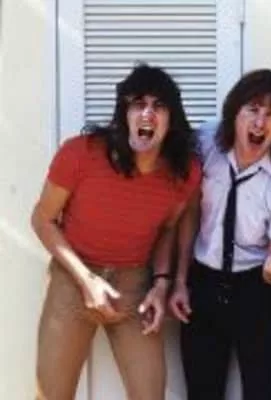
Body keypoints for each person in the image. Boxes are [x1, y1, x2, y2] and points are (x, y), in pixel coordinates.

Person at [33, 64, 201, 400]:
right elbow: (42, 219)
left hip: (134, 285)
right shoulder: (80, 153)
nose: (147, 113)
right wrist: (86, 279)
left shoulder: (184, 171)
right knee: (52, 394)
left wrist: (161, 284)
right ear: (124, 114)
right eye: (138, 103)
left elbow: (168, 229)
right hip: (73, 279)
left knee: (150, 394)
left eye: (159, 105)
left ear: (171, 119)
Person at [169, 68, 271, 400]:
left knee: (261, 391)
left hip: (255, 286)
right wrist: (179, 280)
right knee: (201, 391)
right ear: (234, 112)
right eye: (252, 109)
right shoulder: (204, 143)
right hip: (203, 280)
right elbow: (188, 211)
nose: (259, 122)